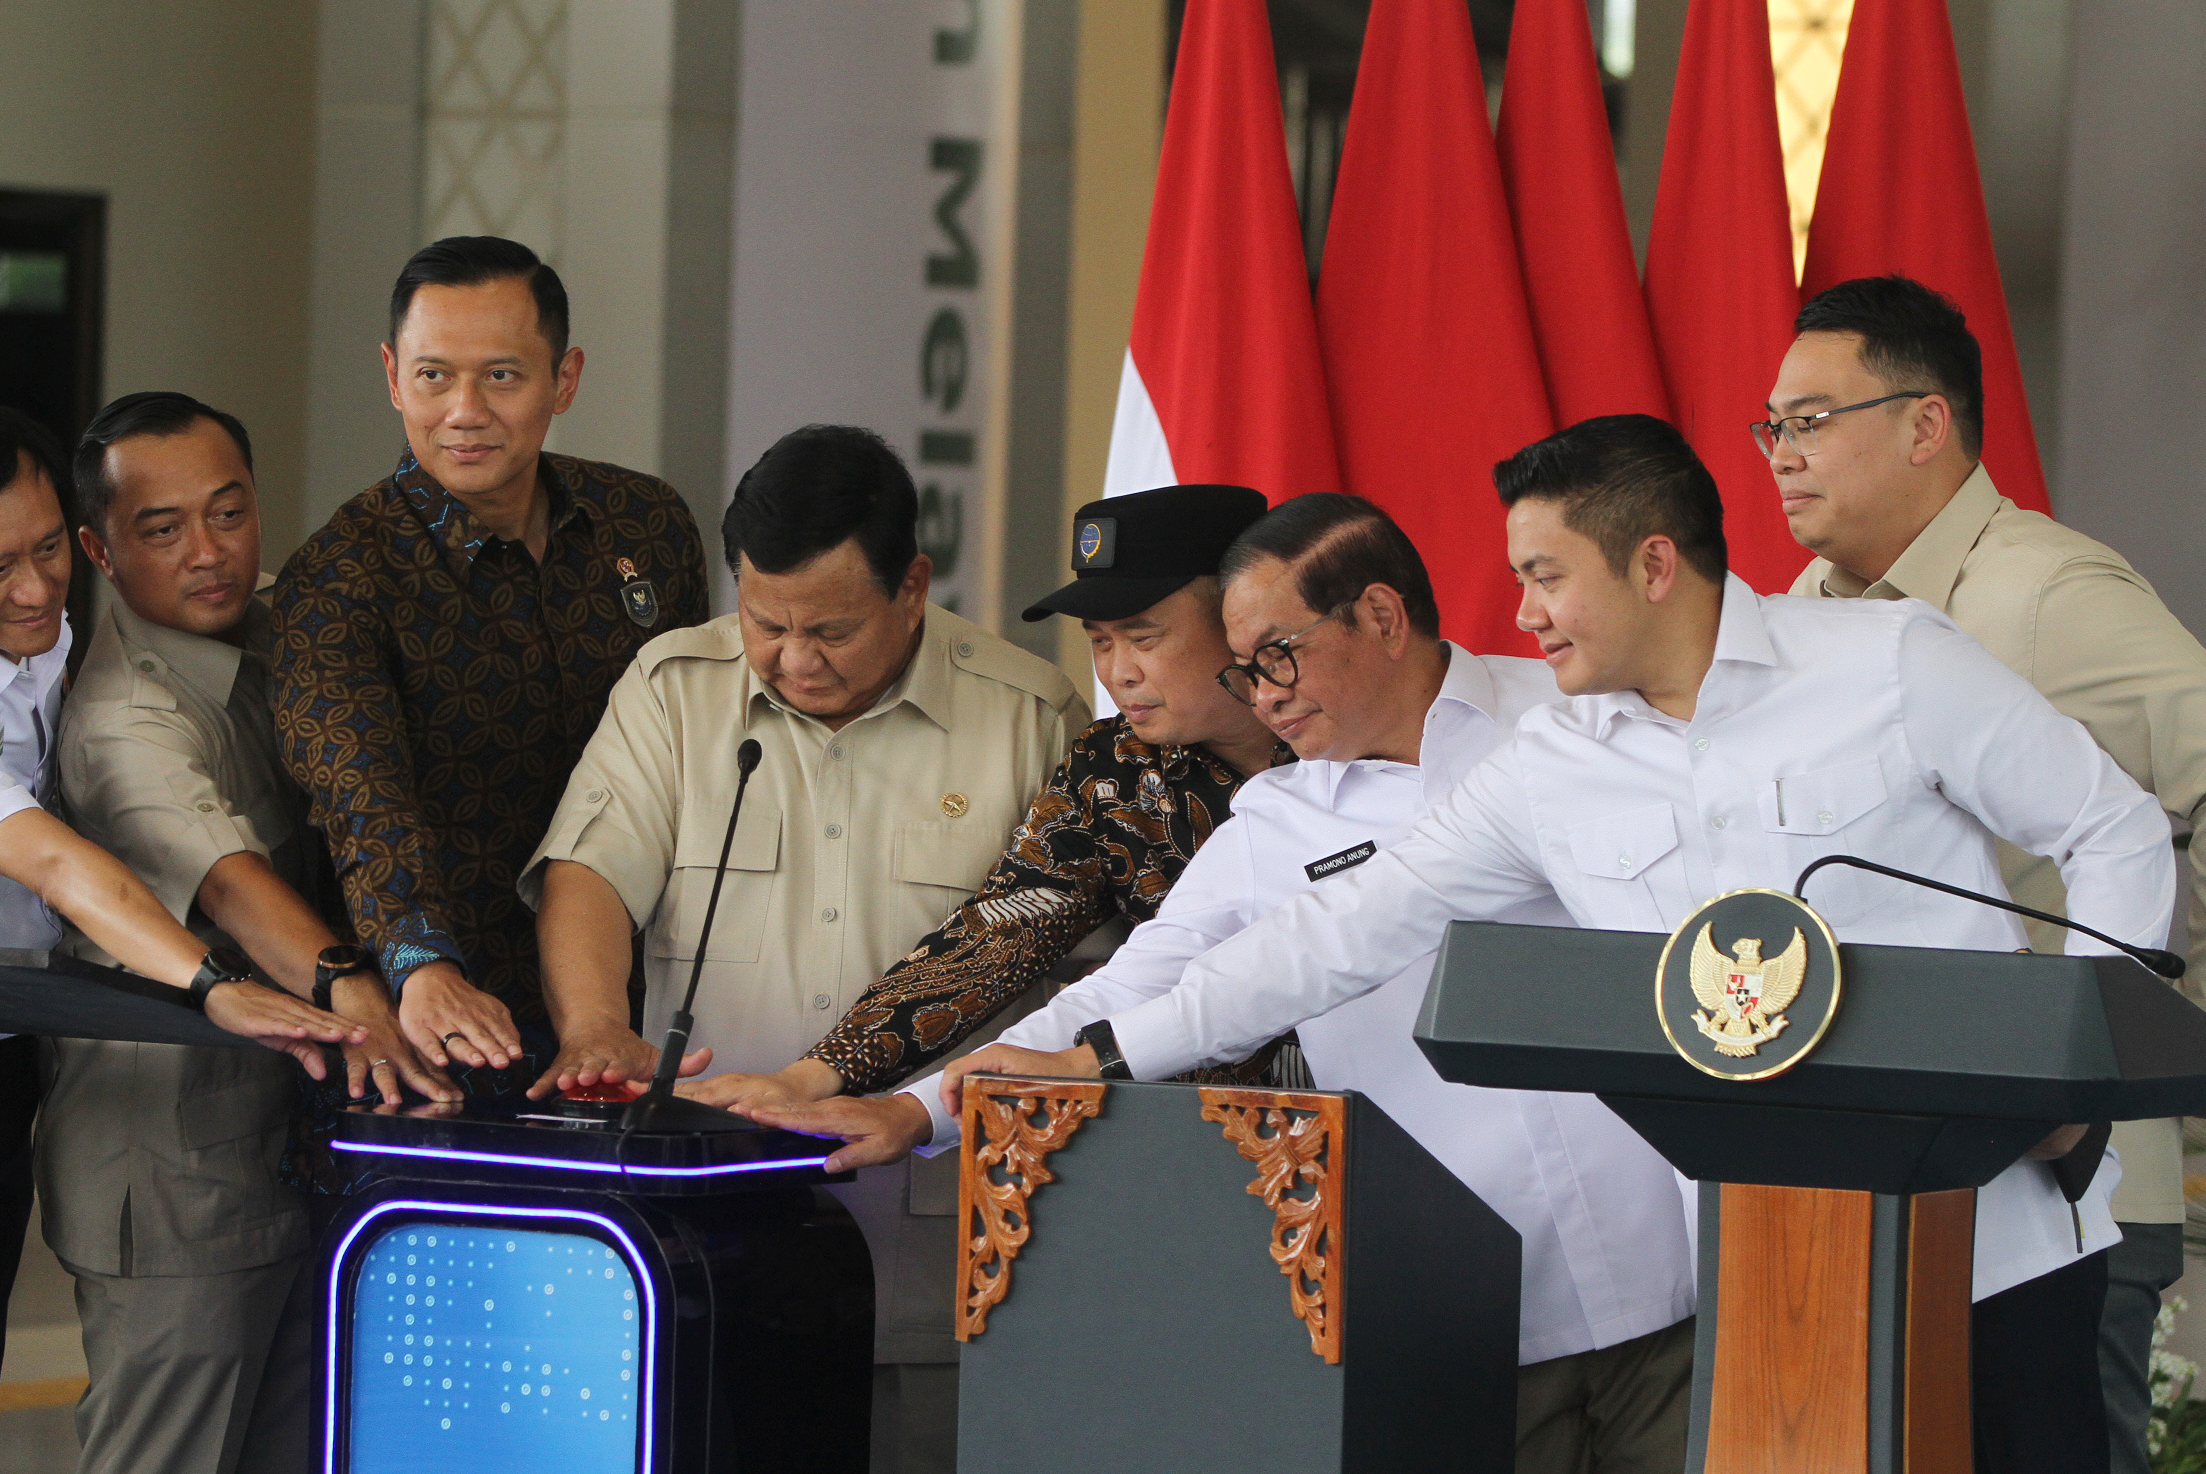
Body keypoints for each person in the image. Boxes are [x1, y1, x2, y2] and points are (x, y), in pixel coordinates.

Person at [927, 416, 2169, 1474]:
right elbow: (1338, 933)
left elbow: (2109, 826)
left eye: (1544, 574)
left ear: (1653, 561)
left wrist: (2061, 1072)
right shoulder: (1549, 767)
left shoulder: (1890, 665)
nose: (1520, 612)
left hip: (1989, 1243)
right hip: (1756, 1275)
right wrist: (1106, 1051)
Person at [754, 494, 1699, 1474]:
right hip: (1468, 1311)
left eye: (1277, 656)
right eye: (1244, 667)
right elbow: (1133, 987)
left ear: (1379, 616)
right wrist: (915, 1115)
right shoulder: (1272, 824)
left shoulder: (1570, 722)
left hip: (1681, 1273)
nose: (1261, 692)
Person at [0, 400, 362, 1471]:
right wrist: (211, 984)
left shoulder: (33, 621)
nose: (38, 588)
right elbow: (60, 860)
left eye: (50, 548)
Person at [518, 424, 1089, 1474]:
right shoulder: (675, 691)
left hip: (938, 1245)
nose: (791, 658)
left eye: (828, 628)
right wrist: (597, 1023)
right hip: (699, 1239)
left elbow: (1093, 982)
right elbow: (588, 871)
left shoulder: (1027, 717)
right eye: (763, 622)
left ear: (911, 585)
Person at [1767, 274, 2206, 1474]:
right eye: (1771, 427)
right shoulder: (1797, 617)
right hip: (1859, 1189)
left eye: (1811, 420)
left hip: (2068, 1192)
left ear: (1925, 425)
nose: (1779, 454)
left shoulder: (2051, 597)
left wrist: (2152, 1036)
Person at [47, 392, 457, 1474]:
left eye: (228, 512)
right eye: (162, 528)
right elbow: (230, 889)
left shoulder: (292, 629)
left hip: (293, 1158)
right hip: (174, 1185)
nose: (208, 552)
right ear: (97, 545)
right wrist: (368, 1001)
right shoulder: (120, 718)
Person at [683, 483, 1286, 1119]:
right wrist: (813, 1077)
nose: (1118, 674)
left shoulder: (1362, 745)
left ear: (1239, 620)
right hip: (1211, 1146)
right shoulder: (1116, 768)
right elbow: (997, 934)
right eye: (1100, 641)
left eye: (1143, 637)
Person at [273, 235, 709, 1082]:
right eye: (433, 375)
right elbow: (363, 803)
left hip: (646, 1010)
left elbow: (688, 752)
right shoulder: (339, 576)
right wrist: (422, 964)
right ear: (394, 376)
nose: (464, 410)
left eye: (501, 376)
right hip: (450, 1027)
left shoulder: (646, 525)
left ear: (565, 379)